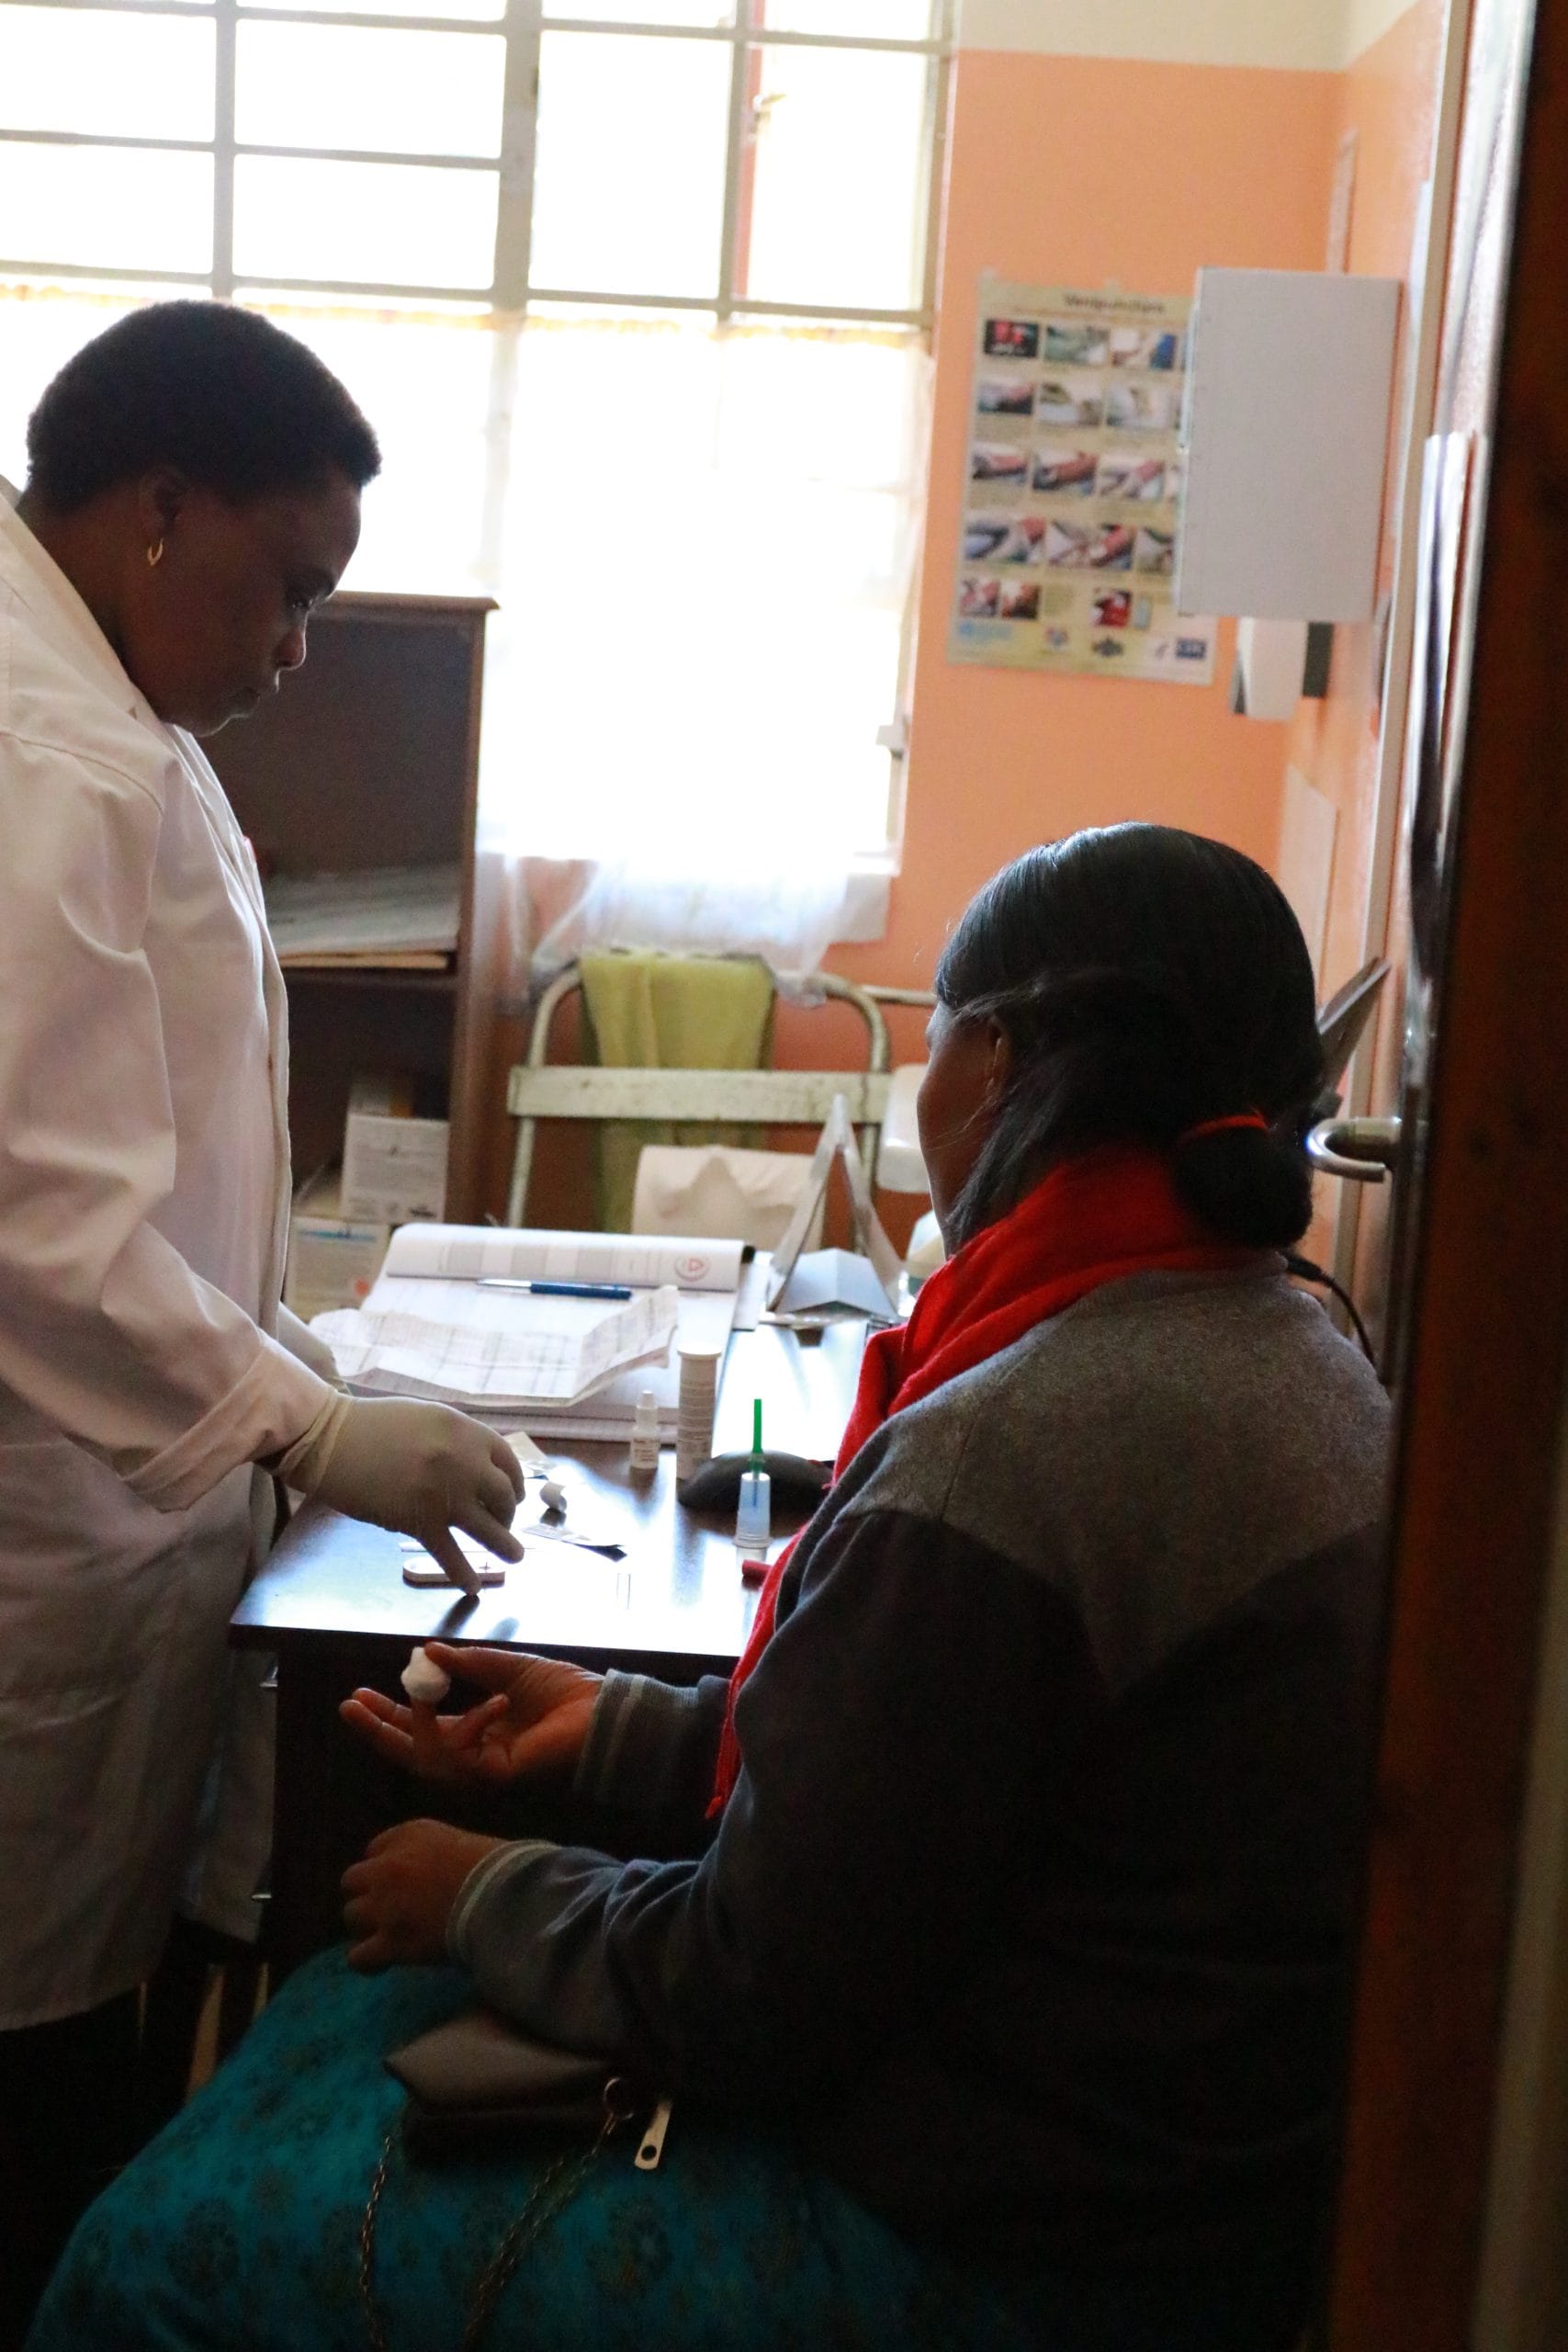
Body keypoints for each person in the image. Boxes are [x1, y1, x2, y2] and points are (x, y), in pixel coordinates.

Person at [28, 825, 1392, 2352]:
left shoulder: (1011, 1451)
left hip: (1008, 2241)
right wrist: (618, 1728)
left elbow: (756, 1993)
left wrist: (480, 1890)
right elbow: (934, 1792)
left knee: (163, 2243)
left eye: (933, 1041)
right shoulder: (1302, 1364)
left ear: (1000, 1064)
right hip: (1197, 2192)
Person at [0, 301, 525, 2345]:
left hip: (115, 1510)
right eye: (289, 585)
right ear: (158, 512)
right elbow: (40, 1207)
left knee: (81, 2038)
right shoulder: (45, 749)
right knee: (31, 2076)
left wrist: (302, 1368)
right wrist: (300, 1426)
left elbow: (166, 1150)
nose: (300, 643)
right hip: (43, 1534)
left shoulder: (110, 714)